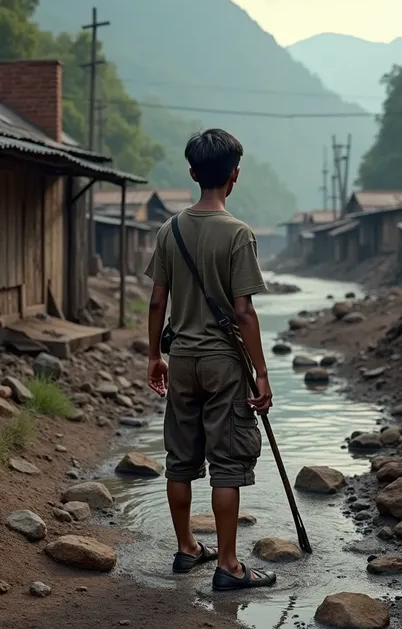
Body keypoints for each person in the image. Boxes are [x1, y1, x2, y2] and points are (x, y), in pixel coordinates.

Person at [145, 128, 276, 592]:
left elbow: (157, 302)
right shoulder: (238, 233)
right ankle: (228, 565)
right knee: (227, 464)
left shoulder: (169, 229)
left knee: (179, 459)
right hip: (225, 363)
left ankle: (186, 550)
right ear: (234, 176)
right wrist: (261, 372)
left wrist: (153, 357)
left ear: (193, 173)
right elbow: (244, 311)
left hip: (180, 358)